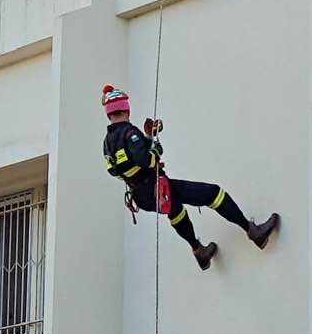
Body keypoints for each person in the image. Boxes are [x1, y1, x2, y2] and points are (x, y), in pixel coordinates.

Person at [101, 85, 280, 271]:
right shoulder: (130, 133)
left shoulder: (107, 143)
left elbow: (117, 169)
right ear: (126, 109)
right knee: (213, 193)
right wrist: (155, 150)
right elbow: (144, 159)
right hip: (156, 187)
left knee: (176, 212)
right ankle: (253, 231)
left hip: (142, 196)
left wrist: (148, 137)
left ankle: (199, 251)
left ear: (109, 115)